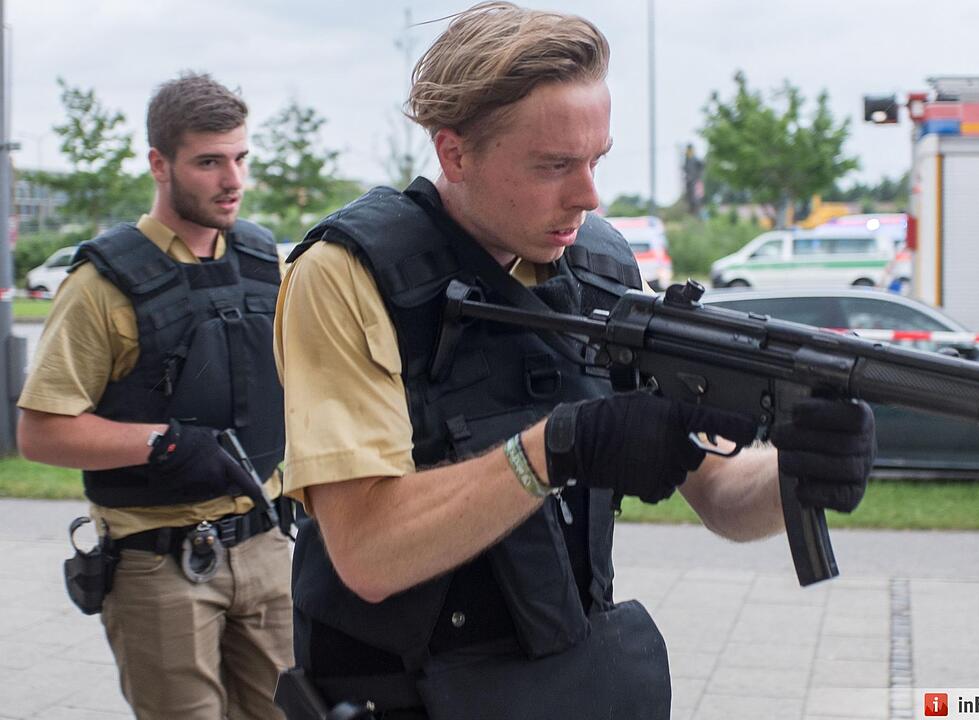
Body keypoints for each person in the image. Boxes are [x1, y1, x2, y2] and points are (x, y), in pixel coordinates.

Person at [273, 4, 875, 719]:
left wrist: (797, 469)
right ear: (454, 154)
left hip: (563, 689)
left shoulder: (601, 270)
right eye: (555, 165)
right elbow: (368, 553)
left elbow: (719, 494)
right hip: (401, 697)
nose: (589, 196)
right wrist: (553, 451)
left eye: (596, 160)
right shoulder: (348, 274)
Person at [17, 72, 292, 720]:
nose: (233, 180)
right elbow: (40, 432)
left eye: (241, 158)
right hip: (161, 561)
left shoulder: (263, 260)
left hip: (267, 546)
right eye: (209, 162)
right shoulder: (102, 284)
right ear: (159, 164)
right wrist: (164, 444)